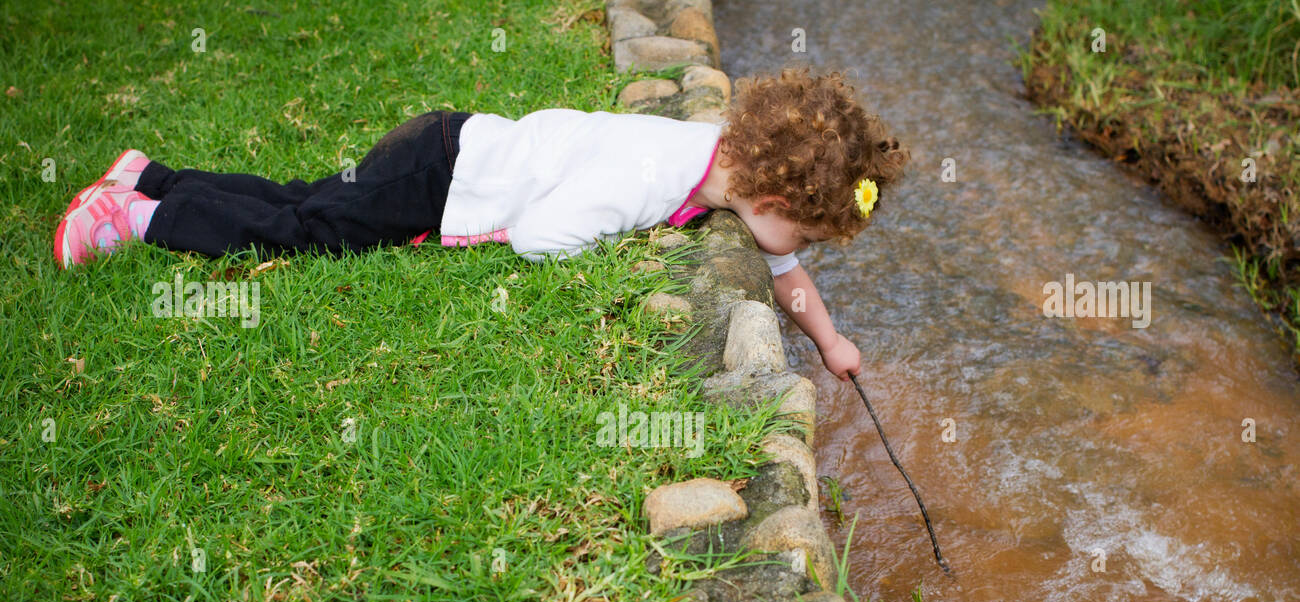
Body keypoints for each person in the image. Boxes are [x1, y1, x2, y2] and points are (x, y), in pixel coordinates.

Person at [54, 66, 907, 380]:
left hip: (451, 143)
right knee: (308, 228)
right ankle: (137, 218)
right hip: (440, 179)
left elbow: (787, 276)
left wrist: (830, 345)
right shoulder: (650, 182)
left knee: (299, 195)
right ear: (775, 203)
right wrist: (636, 237)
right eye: (809, 235)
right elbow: (541, 237)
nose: (801, 255)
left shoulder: (711, 156)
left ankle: (150, 174)